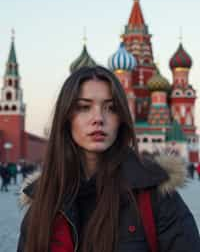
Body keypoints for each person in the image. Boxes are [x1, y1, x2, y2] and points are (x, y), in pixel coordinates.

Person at [17, 66, 200, 252]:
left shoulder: (156, 197)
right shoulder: (45, 201)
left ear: (122, 119)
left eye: (111, 108)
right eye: (84, 107)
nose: (98, 118)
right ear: (66, 118)